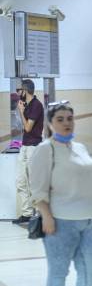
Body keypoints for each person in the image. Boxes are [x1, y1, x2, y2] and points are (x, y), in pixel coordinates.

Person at [30, 102, 92, 286]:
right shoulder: (46, 150)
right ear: (50, 124)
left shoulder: (81, 148)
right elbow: (38, 188)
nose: (66, 123)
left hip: (89, 221)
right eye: (60, 119)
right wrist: (47, 216)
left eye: (70, 118)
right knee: (58, 271)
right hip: (60, 221)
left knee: (89, 269)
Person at [12, 78, 44, 225]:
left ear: (25, 90)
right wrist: (23, 110)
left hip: (34, 148)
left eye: (20, 91)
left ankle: (39, 213)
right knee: (20, 181)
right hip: (24, 146)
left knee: (33, 182)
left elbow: (28, 128)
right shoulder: (28, 105)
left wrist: (21, 112)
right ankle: (26, 212)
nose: (19, 93)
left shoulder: (36, 106)